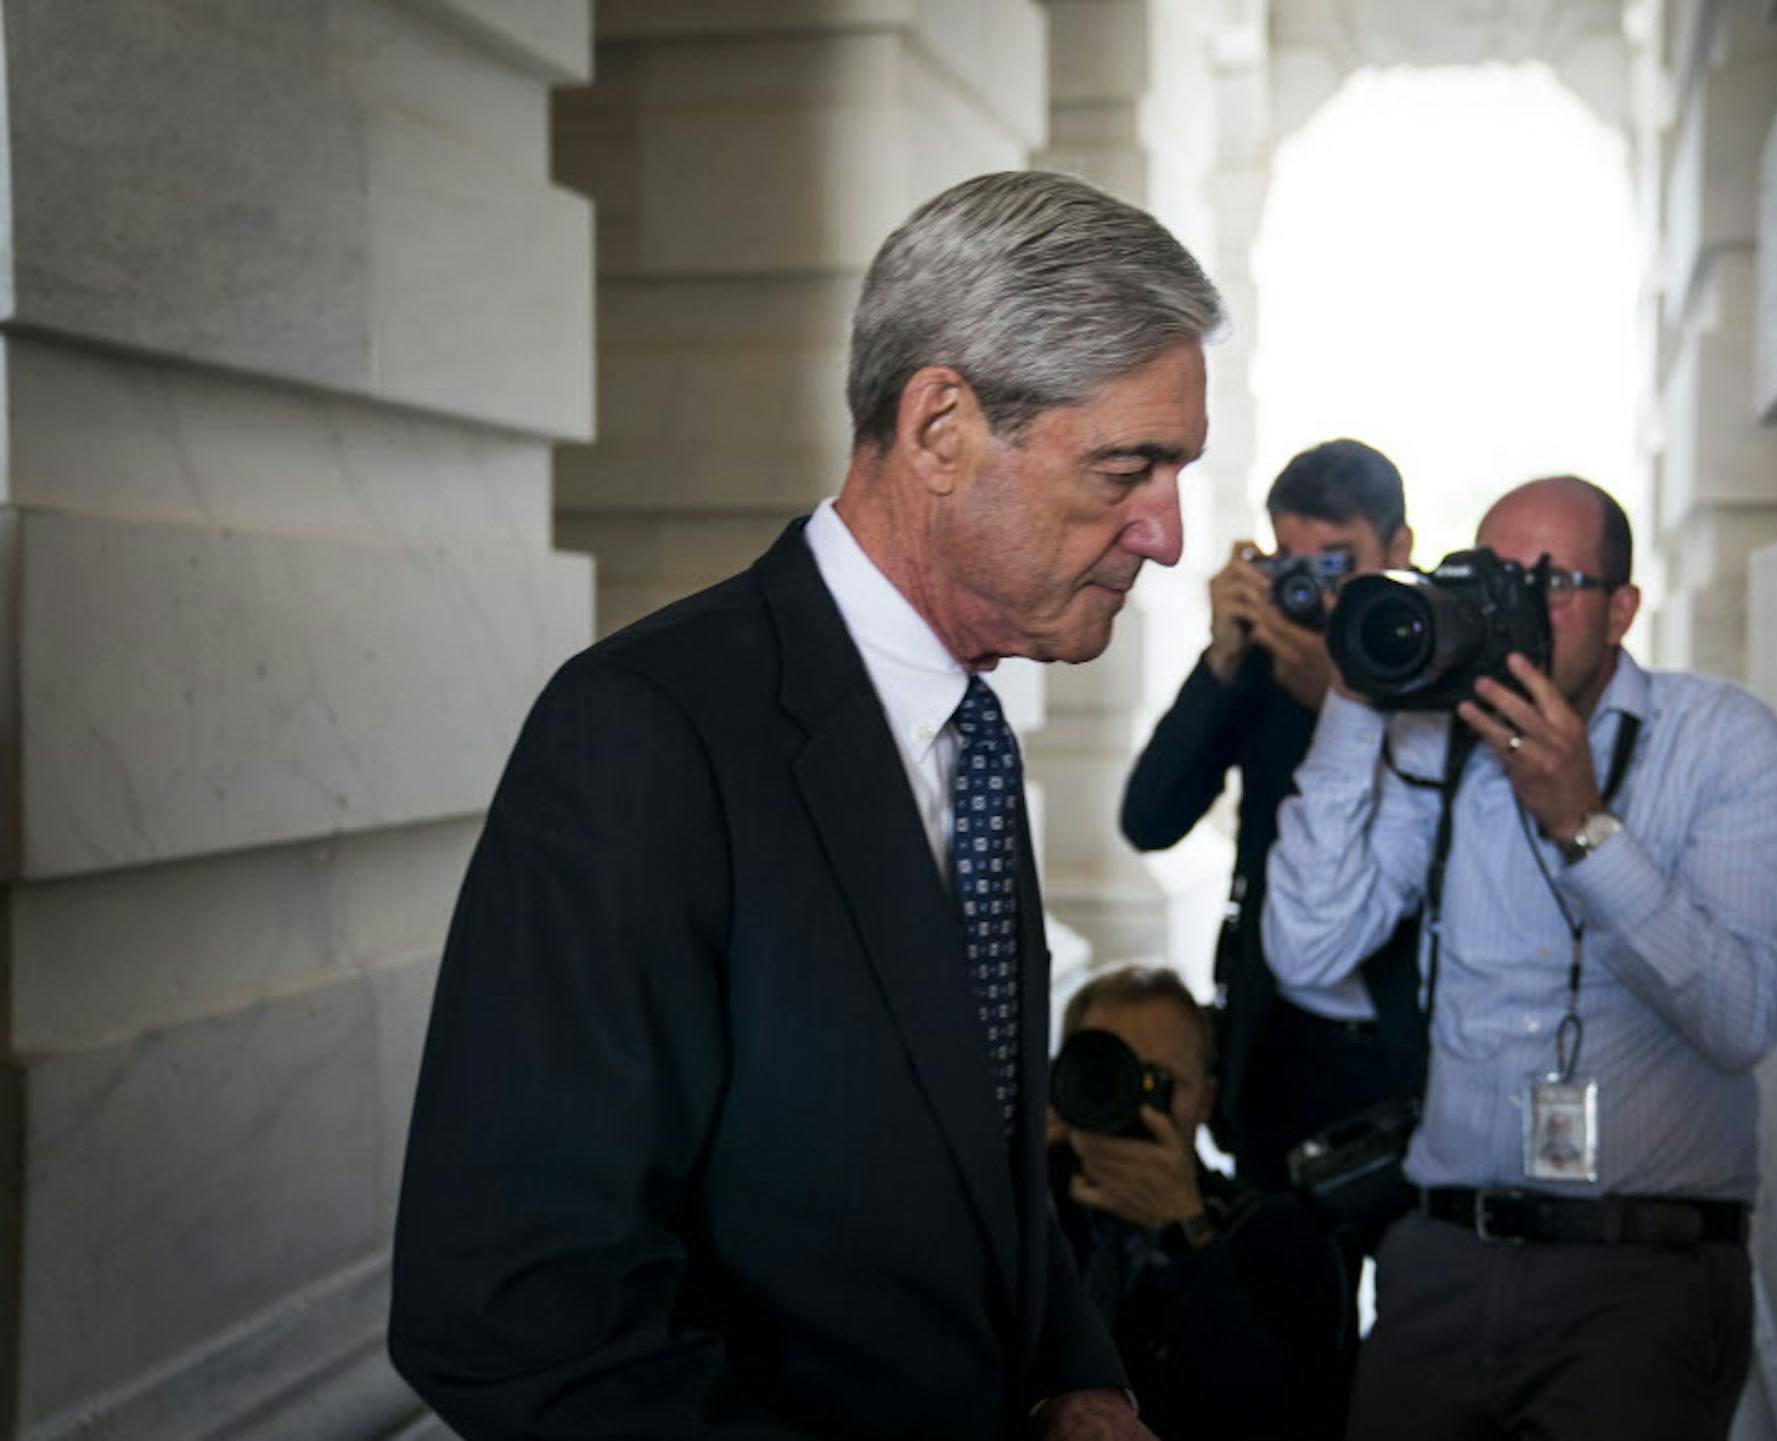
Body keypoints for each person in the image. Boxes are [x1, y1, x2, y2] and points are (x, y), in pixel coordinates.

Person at [388, 171, 1221, 1440]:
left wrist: (1074, 1376)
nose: (1166, 534)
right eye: (1128, 469)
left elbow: (975, 1155)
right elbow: (511, 1315)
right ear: (940, 425)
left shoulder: (978, 732)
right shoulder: (643, 732)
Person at [1264, 474, 1777, 1441]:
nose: (1512, 610)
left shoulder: (1719, 738)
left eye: (1550, 583)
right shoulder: (1435, 735)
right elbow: (1307, 951)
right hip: (1438, 1259)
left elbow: (1742, 1018)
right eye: (1487, 580)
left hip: (1639, 1275)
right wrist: (1354, 701)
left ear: (1623, 606)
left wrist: (1587, 827)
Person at [1119, 439, 1418, 1188]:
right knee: (1278, 1288)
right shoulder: (1265, 659)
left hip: (1414, 1043)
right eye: (1293, 562)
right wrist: (1222, 656)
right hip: (1276, 1037)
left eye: (1337, 563)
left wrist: (1344, 710)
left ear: (1399, 548)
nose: (1316, 594)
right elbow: (1149, 819)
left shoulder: (1433, 653)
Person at [1048, 968, 1353, 1441]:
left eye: (1159, 1082)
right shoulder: (1028, 1217)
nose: (1132, 1105)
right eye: (1107, 1074)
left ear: (1205, 1100)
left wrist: (1188, 1232)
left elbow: (1287, 1420)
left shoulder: (1277, 1234)